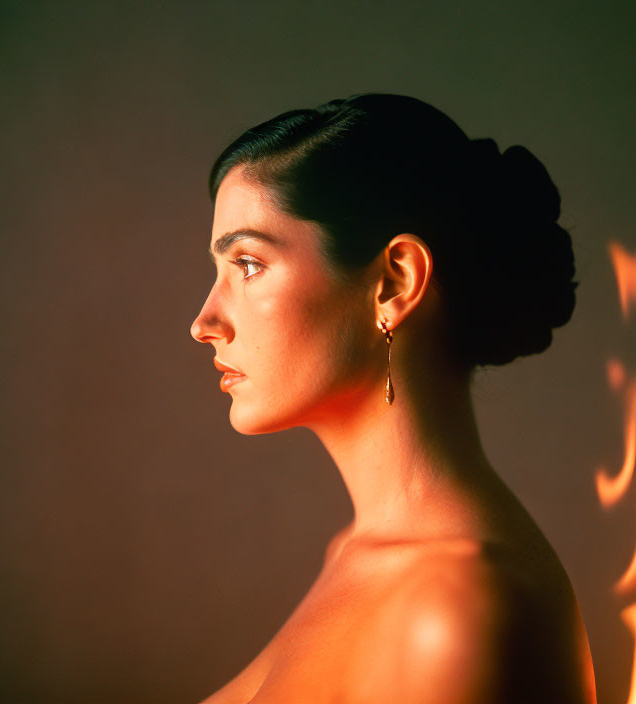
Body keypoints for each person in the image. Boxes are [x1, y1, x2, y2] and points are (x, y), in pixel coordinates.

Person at [189, 93, 596, 704]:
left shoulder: (456, 610)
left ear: (394, 282)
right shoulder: (359, 555)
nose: (205, 321)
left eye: (247, 264)